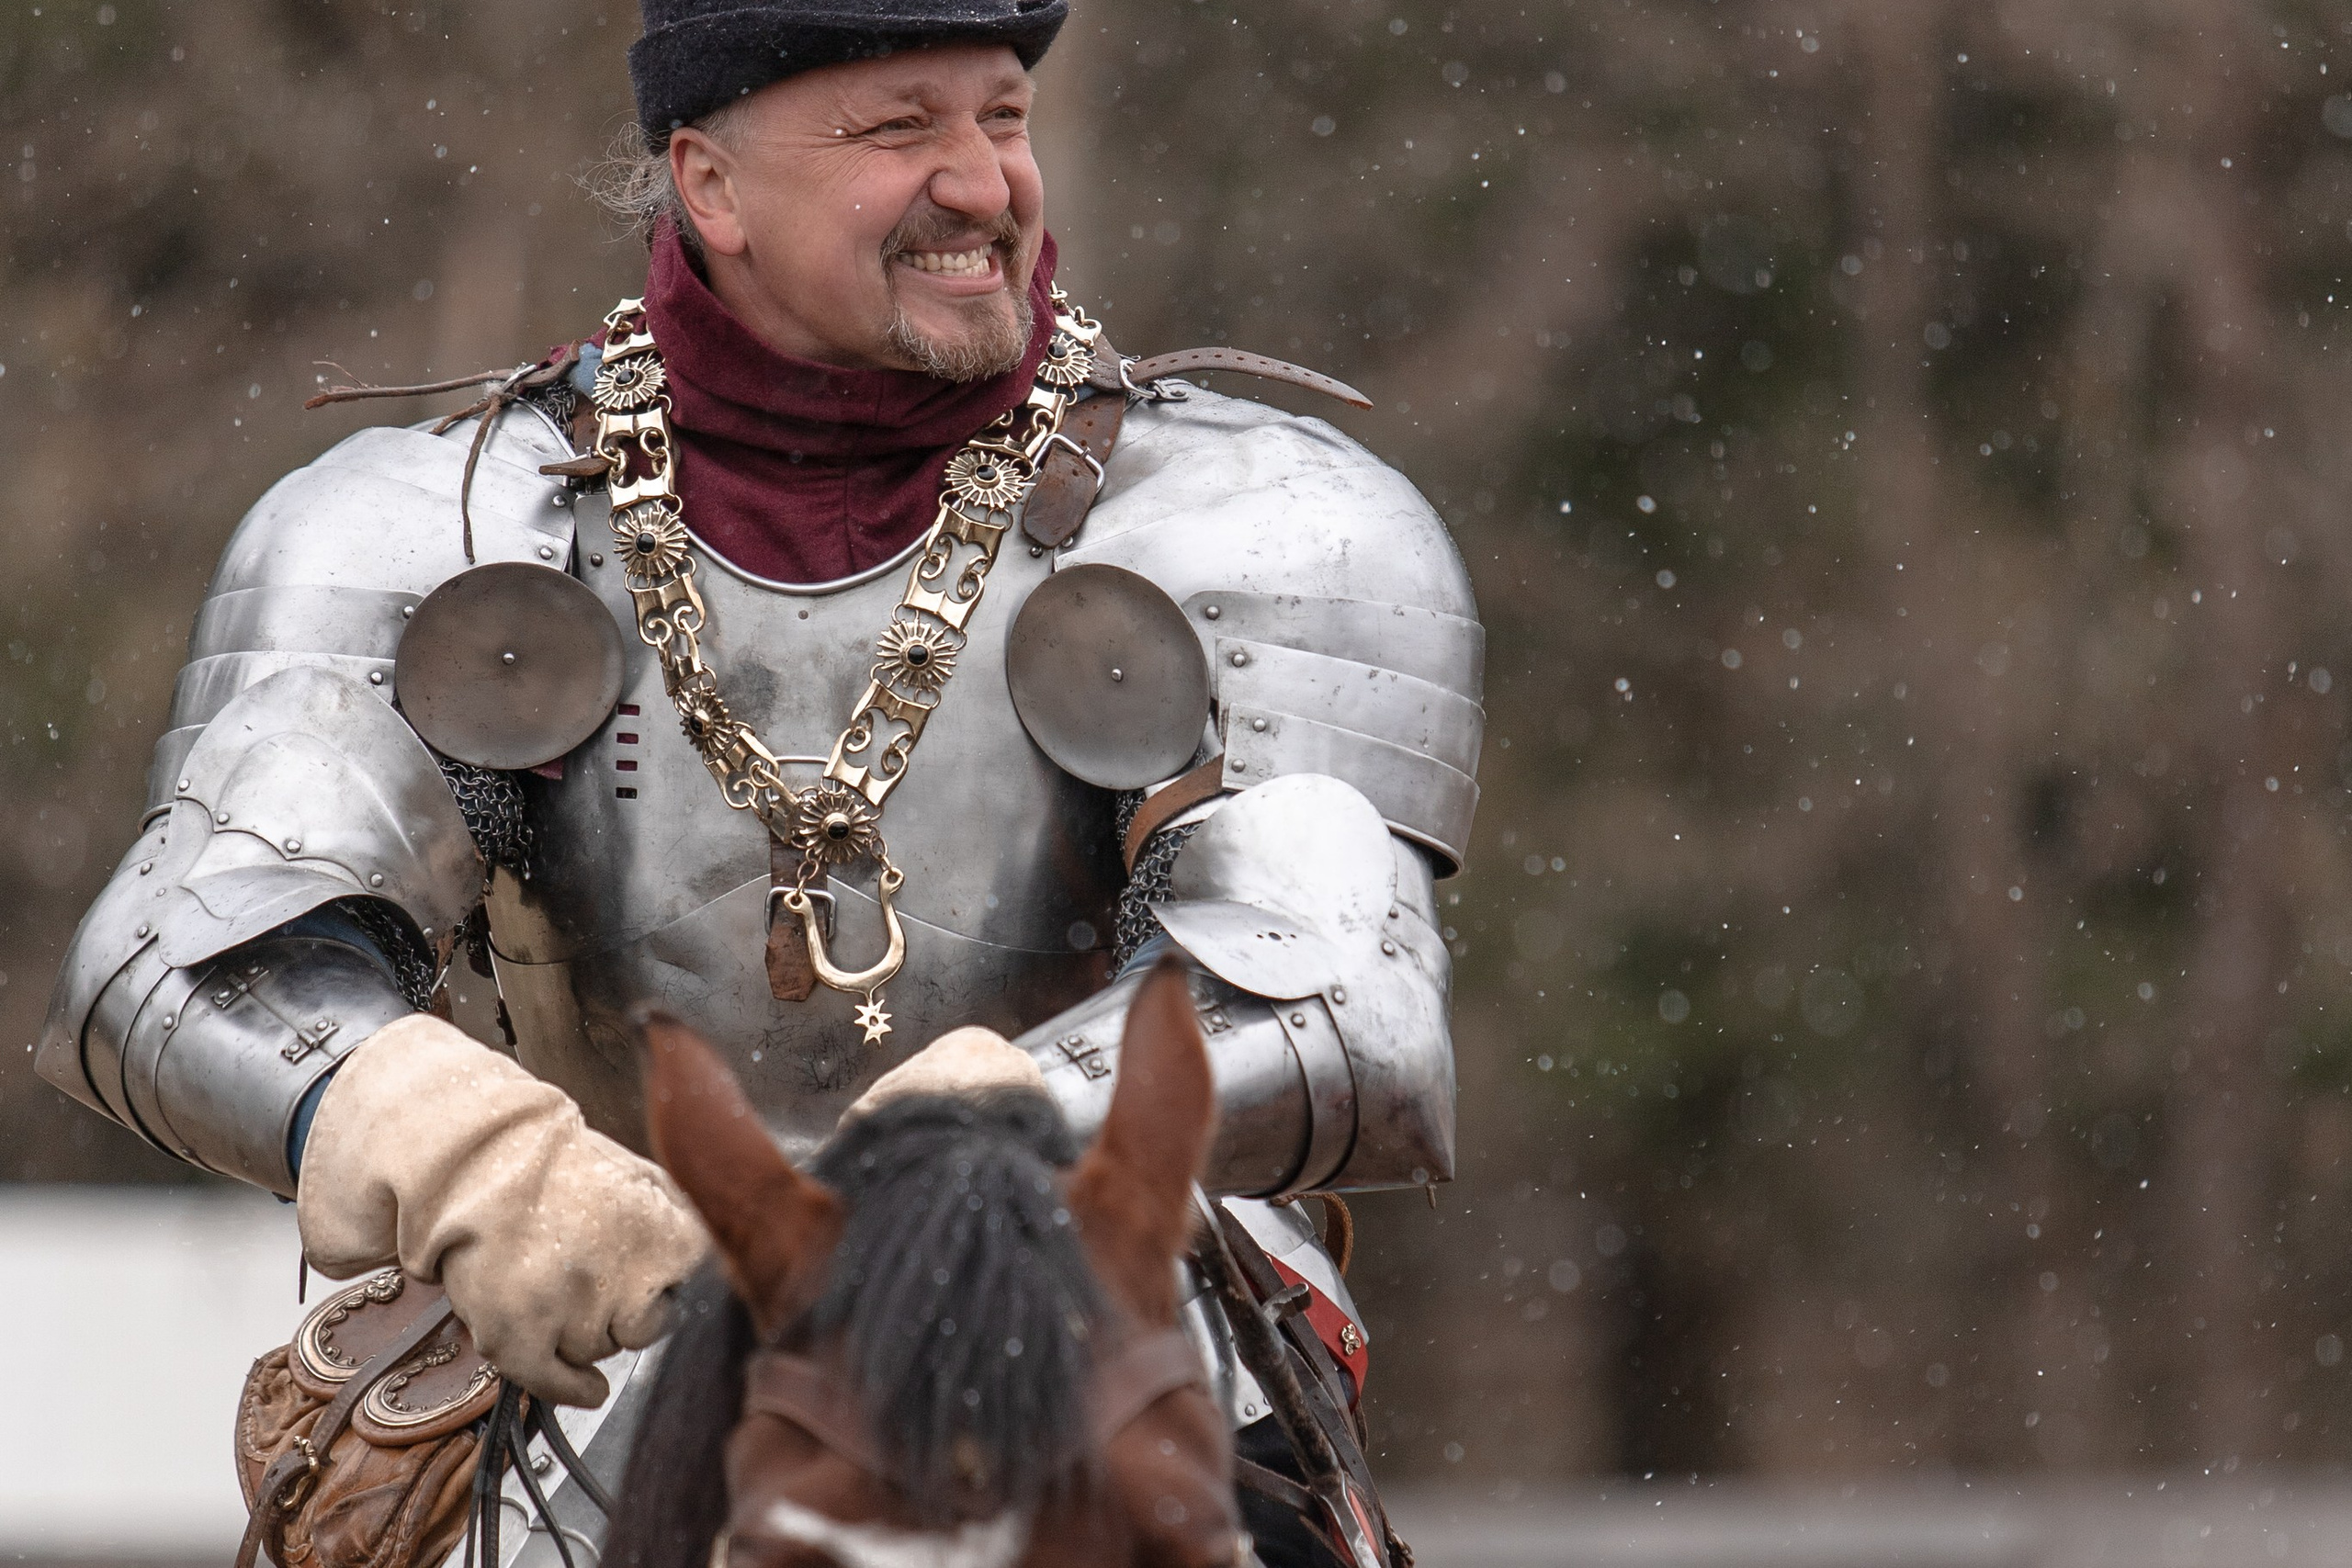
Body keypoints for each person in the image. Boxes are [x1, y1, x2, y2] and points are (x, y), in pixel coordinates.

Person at [39, 1, 1481, 1562]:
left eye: (1001, 117)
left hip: (1108, 1343)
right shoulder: (431, 524)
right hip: (595, 1351)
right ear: (708, 186)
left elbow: (1349, 1012)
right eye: (897, 129)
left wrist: (1012, 1126)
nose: (986, 185)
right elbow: (172, 967)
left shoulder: (1268, 524)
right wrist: (442, 1137)